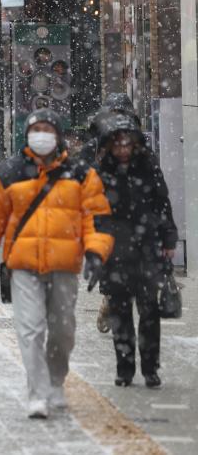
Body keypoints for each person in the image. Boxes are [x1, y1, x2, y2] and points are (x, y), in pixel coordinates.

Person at [0, 109, 114, 419]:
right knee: (31, 329)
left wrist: (96, 252)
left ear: (58, 135)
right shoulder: (9, 172)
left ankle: (55, 381)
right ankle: (37, 392)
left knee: (63, 331)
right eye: (36, 128)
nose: (41, 134)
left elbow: (97, 218)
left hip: (65, 265)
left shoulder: (80, 173)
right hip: (22, 264)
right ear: (27, 134)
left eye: (47, 129)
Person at [95, 114, 178, 389]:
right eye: (117, 144)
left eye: (126, 143)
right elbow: (92, 212)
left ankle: (150, 368)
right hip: (114, 251)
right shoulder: (101, 172)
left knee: (149, 311)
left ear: (135, 144)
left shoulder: (148, 167)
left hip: (146, 249)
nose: (122, 149)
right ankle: (125, 368)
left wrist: (168, 238)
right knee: (120, 313)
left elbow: (162, 204)